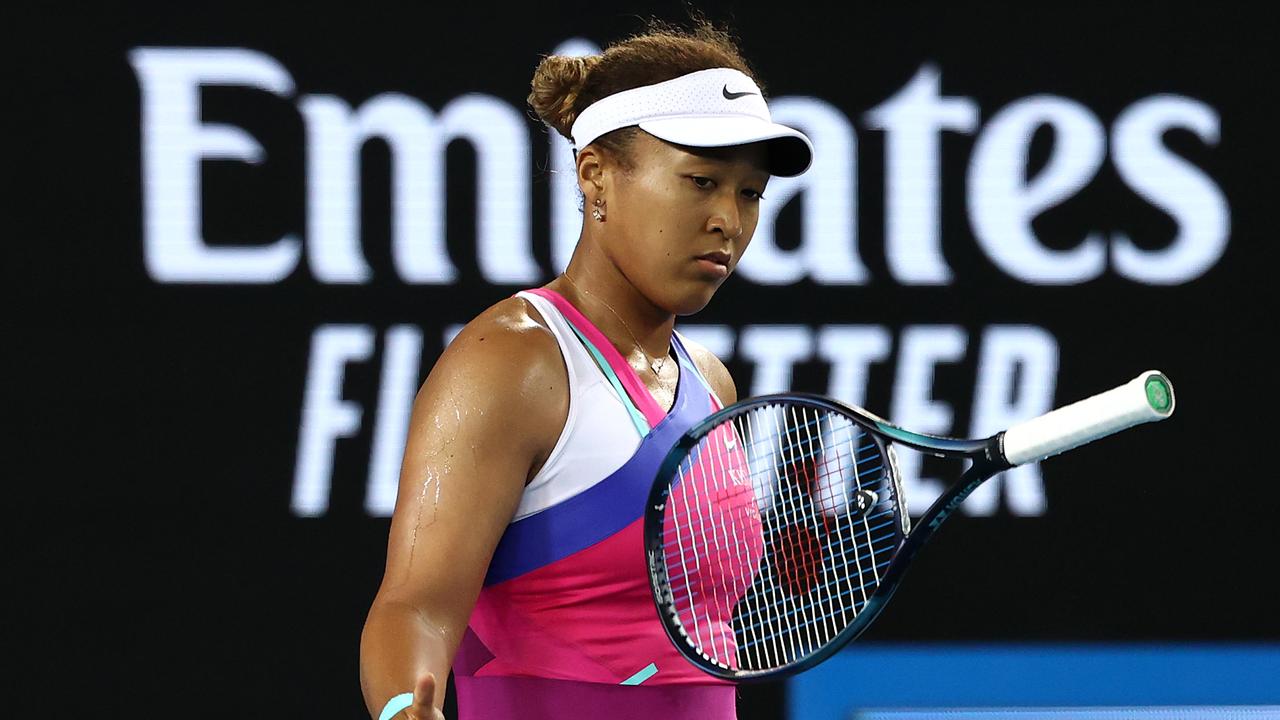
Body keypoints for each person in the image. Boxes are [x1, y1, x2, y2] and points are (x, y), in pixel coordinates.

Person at [359, 18, 813, 720]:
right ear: (596, 175)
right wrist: (404, 711)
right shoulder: (513, 360)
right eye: (701, 182)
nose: (729, 219)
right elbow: (413, 606)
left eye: (749, 193)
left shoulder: (710, 383)